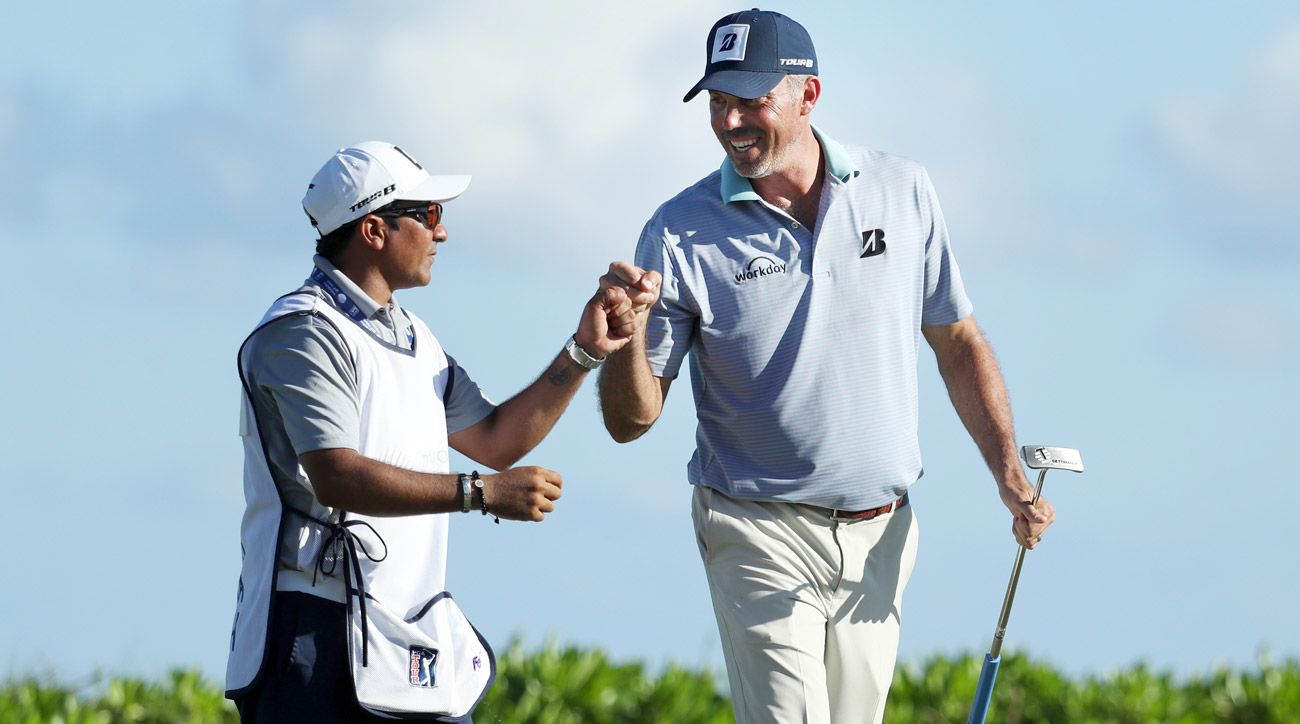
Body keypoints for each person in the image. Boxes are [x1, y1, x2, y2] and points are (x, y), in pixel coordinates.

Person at [596, 10, 1056, 724]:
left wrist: (1007, 472)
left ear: (808, 96)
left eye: (751, 100)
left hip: (883, 534)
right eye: (719, 102)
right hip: (757, 530)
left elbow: (958, 341)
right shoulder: (678, 230)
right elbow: (632, 420)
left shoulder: (902, 190)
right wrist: (624, 341)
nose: (731, 121)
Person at [225, 141, 636, 723]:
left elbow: (497, 439)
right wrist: (481, 494)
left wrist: (584, 351)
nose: (441, 234)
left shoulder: (418, 339)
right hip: (311, 632)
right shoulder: (302, 332)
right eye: (430, 215)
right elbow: (337, 476)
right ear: (374, 230)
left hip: (402, 625)